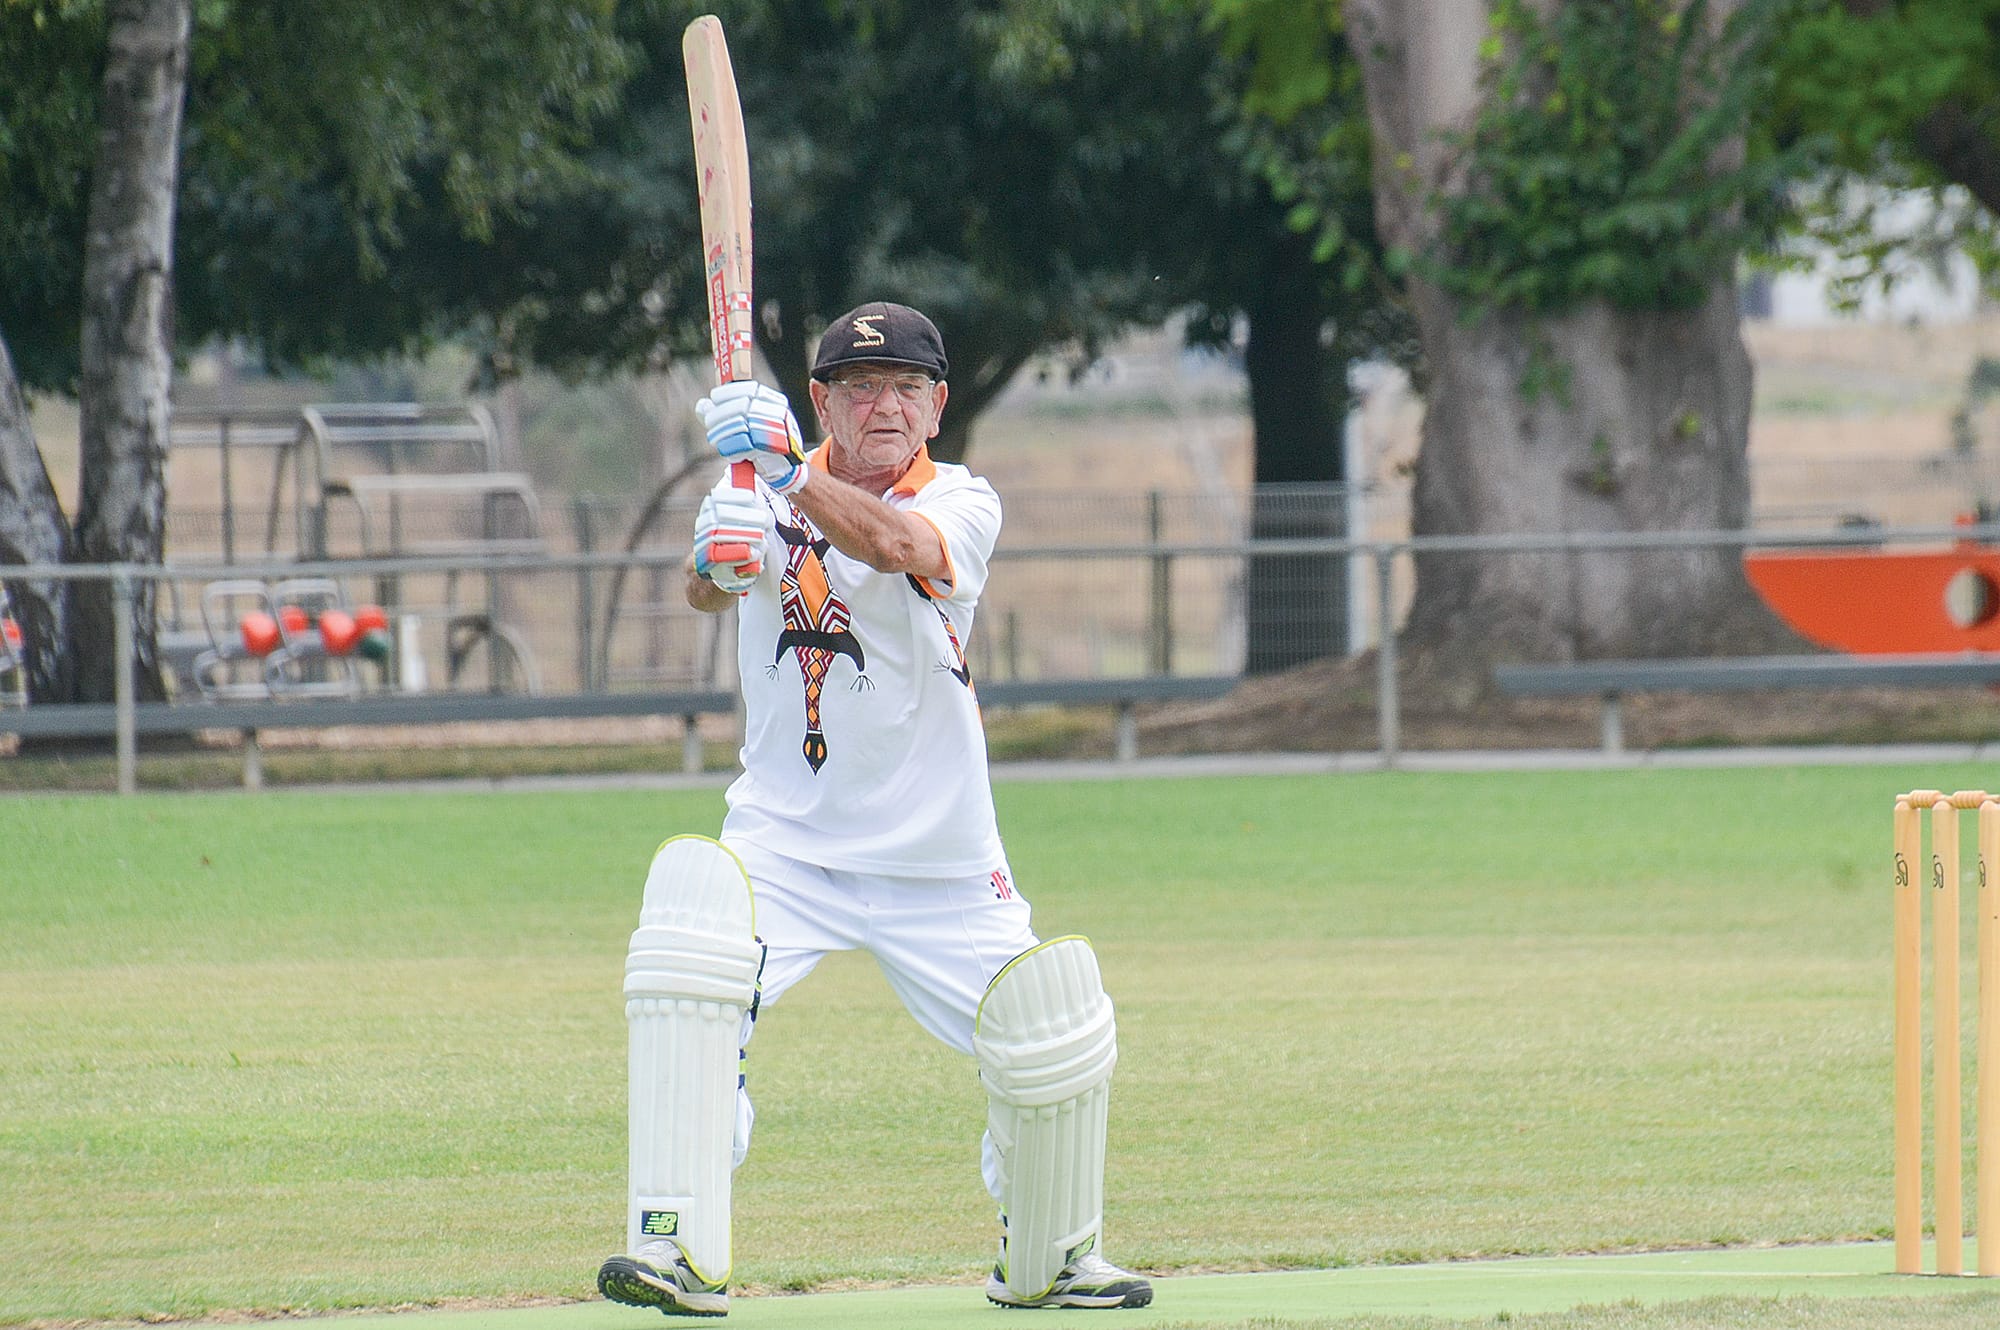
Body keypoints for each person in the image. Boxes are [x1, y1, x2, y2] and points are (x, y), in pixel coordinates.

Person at [597, 303, 1152, 1316]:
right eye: (859, 388)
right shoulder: (761, 485)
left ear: (937, 406)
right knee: (689, 959)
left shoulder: (958, 497)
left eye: (905, 386)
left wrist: (785, 476)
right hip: (785, 838)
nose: (883, 404)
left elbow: (897, 545)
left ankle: (1054, 1253)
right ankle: (677, 1246)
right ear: (822, 401)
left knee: (1050, 1027)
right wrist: (713, 559)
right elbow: (709, 591)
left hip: (937, 852)